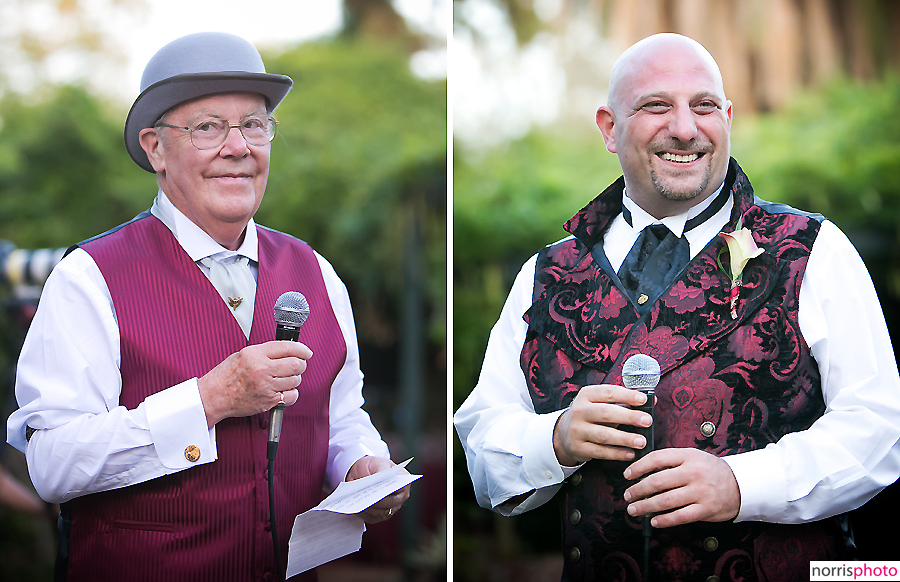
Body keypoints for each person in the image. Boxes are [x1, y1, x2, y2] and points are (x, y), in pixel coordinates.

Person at [454, 33, 900, 581]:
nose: (686, 129)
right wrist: (555, 439)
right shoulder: (544, 275)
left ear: (728, 118)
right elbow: (483, 442)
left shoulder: (813, 249)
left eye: (704, 106)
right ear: (609, 127)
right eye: (656, 105)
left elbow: (880, 428)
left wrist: (743, 484)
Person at [7, 31, 409, 581]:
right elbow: (52, 465)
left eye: (253, 124)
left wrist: (362, 464)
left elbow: (340, 416)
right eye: (208, 128)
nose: (238, 146)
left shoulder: (317, 271)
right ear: (155, 149)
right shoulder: (88, 278)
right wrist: (208, 400)